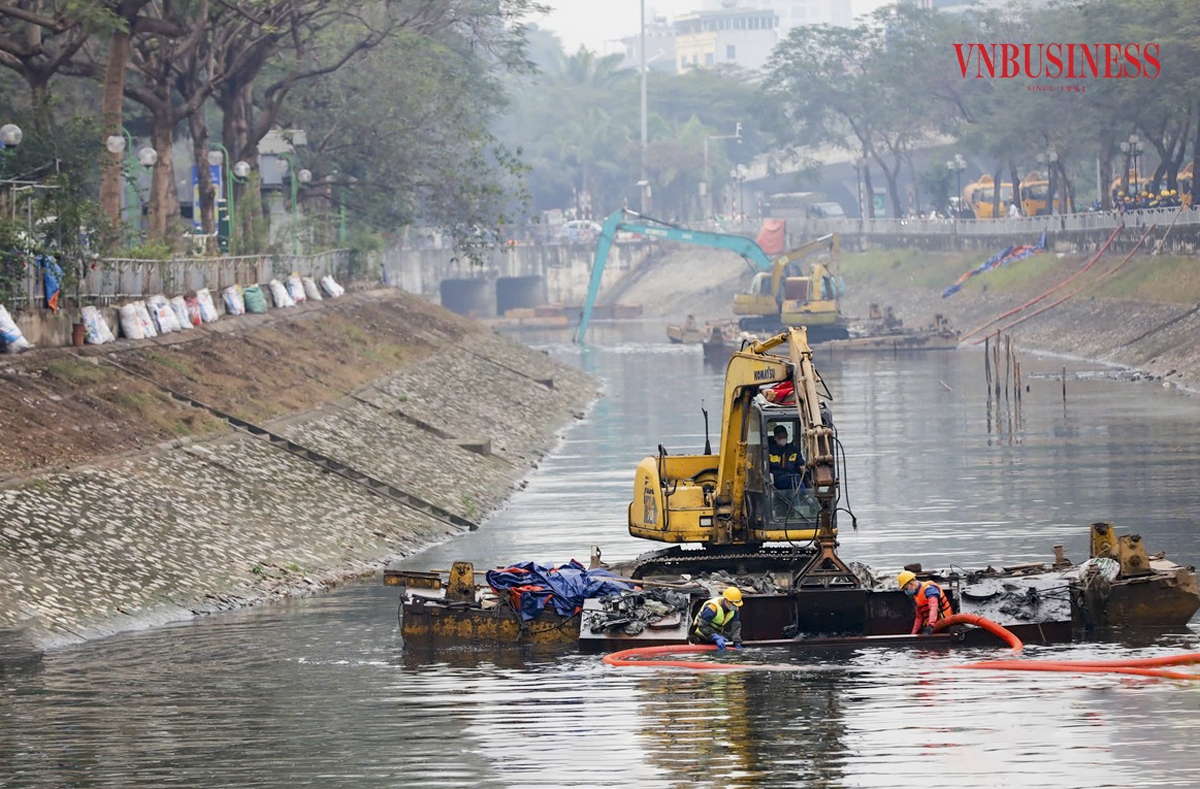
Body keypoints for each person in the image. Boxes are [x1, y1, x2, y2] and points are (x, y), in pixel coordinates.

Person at [896, 570, 953, 635]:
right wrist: (913, 634)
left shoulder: (930, 590)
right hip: (933, 624)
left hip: (944, 622)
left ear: (911, 584)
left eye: (906, 589)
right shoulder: (917, 595)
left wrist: (930, 625)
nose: (906, 591)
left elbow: (933, 607)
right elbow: (919, 617)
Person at [768, 425, 804, 490]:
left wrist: (804, 468)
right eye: (780, 437)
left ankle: (805, 497)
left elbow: (801, 464)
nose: (782, 439)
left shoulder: (793, 450)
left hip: (793, 477)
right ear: (774, 438)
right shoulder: (769, 452)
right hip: (776, 479)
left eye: (784, 436)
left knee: (797, 479)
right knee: (794, 480)